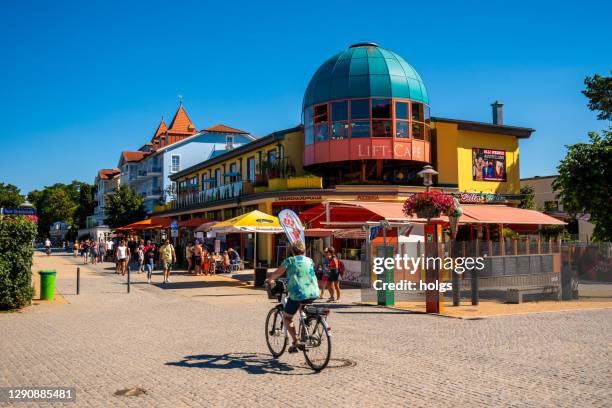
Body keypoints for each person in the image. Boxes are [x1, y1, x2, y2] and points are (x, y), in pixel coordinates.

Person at [265, 241, 320, 353]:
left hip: (298, 293)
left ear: (292, 251)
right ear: (304, 250)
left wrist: (270, 279)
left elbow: (278, 273)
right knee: (302, 309)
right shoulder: (310, 260)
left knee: (287, 317)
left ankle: (295, 341)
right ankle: (306, 327)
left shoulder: (289, 260)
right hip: (314, 292)